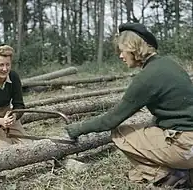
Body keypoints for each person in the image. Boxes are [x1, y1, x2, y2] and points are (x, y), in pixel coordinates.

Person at [65, 22, 193, 188]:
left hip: (186, 145)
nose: (120, 56)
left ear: (133, 48)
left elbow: (111, 120)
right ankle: (184, 171)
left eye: (121, 50)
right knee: (150, 127)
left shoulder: (147, 77)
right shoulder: (170, 63)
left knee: (121, 133)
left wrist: (78, 128)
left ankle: (167, 175)